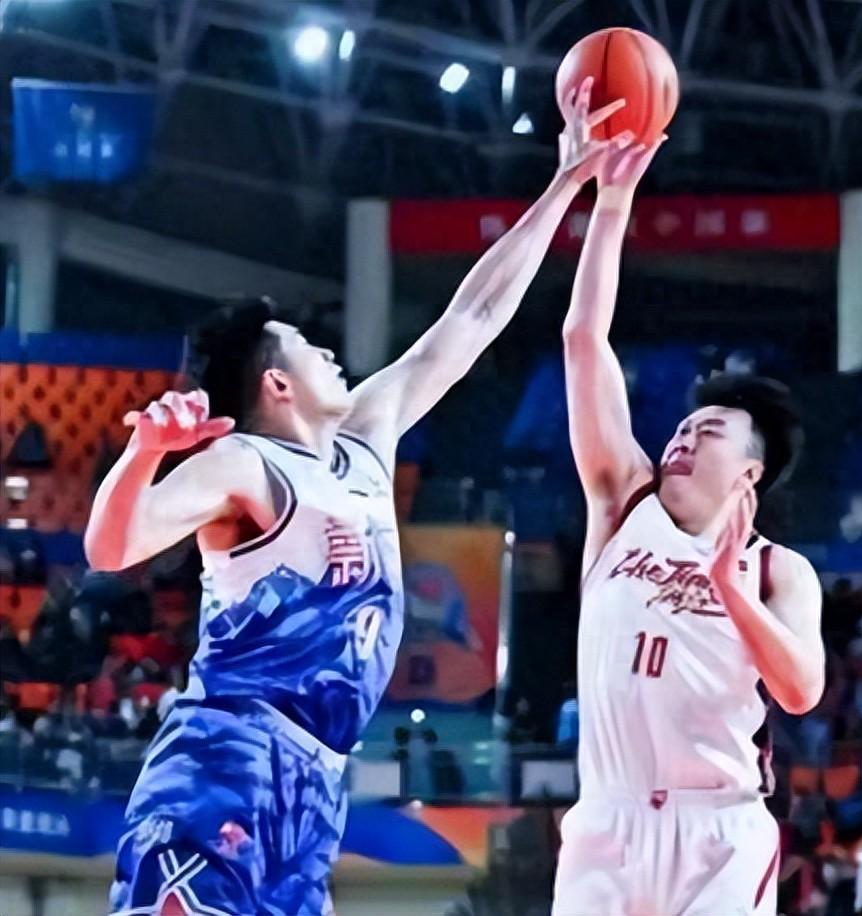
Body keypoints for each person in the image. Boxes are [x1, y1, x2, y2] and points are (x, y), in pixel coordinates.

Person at [87, 78, 627, 916]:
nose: (332, 354)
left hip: (317, 779)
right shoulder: (243, 463)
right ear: (276, 384)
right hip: (226, 757)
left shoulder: (369, 435)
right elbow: (111, 548)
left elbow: (474, 317)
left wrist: (565, 184)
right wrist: (143, 455)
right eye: (309, 347)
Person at [549, 134, 825, 916]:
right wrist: (611, 201)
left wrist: (730, 593)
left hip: (719, 831)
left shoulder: (777, 570)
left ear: (750, 473)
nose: (683, 436)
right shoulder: (622, 503)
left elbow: (801, 691)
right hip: (607, 822)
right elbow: (582, 341)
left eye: (709, 431)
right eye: (682, 426)